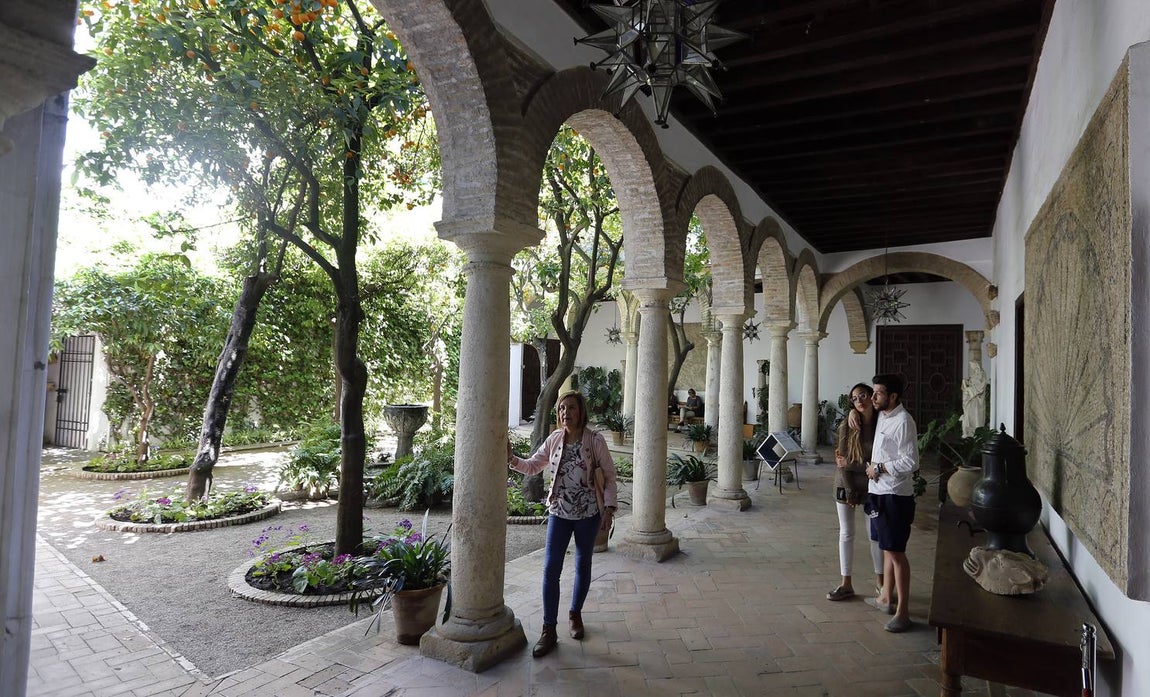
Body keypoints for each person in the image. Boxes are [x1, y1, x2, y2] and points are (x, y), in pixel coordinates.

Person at [507, 389, 618, 658]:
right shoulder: (555, 439)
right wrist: (511, 459)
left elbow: (610, 477)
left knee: (583, 564)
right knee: (550, 570)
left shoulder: (595, 441)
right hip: (559, 512)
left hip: (588, 514)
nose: (566, 412)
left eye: (571, 407)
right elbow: (533, 466)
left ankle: (575, 614)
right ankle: (549, 629)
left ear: (581, 411)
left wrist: (608, 509)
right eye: (562, 408)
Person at [864, 373, 919, 633]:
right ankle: (885, 598)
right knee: (886, 548)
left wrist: (879, 467)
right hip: (878, 492)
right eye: (873, 392)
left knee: (896, 552)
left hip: (894, 496)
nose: (873, 397)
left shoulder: (904, 421)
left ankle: (903, 612)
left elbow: (911, 462)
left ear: (893, 396)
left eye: (878, 393)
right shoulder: (884, 416)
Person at [826, 383, 885, 603]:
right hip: (846, 485)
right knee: (846, 533)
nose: (859, 400)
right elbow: (841, 463)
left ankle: (881, 583)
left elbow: (878, 463)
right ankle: (846, 583)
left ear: (872, 397)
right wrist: (851, 491)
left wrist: (855, 465)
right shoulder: (847, 425)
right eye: (854, 398)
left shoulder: (882, 423)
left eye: (863, 395)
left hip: (873, 486)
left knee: (875, 535)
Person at [960, 361, 989, 437]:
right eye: (971, 365)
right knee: (968, 415)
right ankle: (968, 432)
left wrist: (969, 389)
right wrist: (966, 383)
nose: (971, 367)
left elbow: (980, 387)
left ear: (976, 365)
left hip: (977, 400)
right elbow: (972, 385)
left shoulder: (981, 374)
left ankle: (975, 433)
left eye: (972, 365)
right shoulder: (973, 375)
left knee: (976, 417)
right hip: (970, 399)